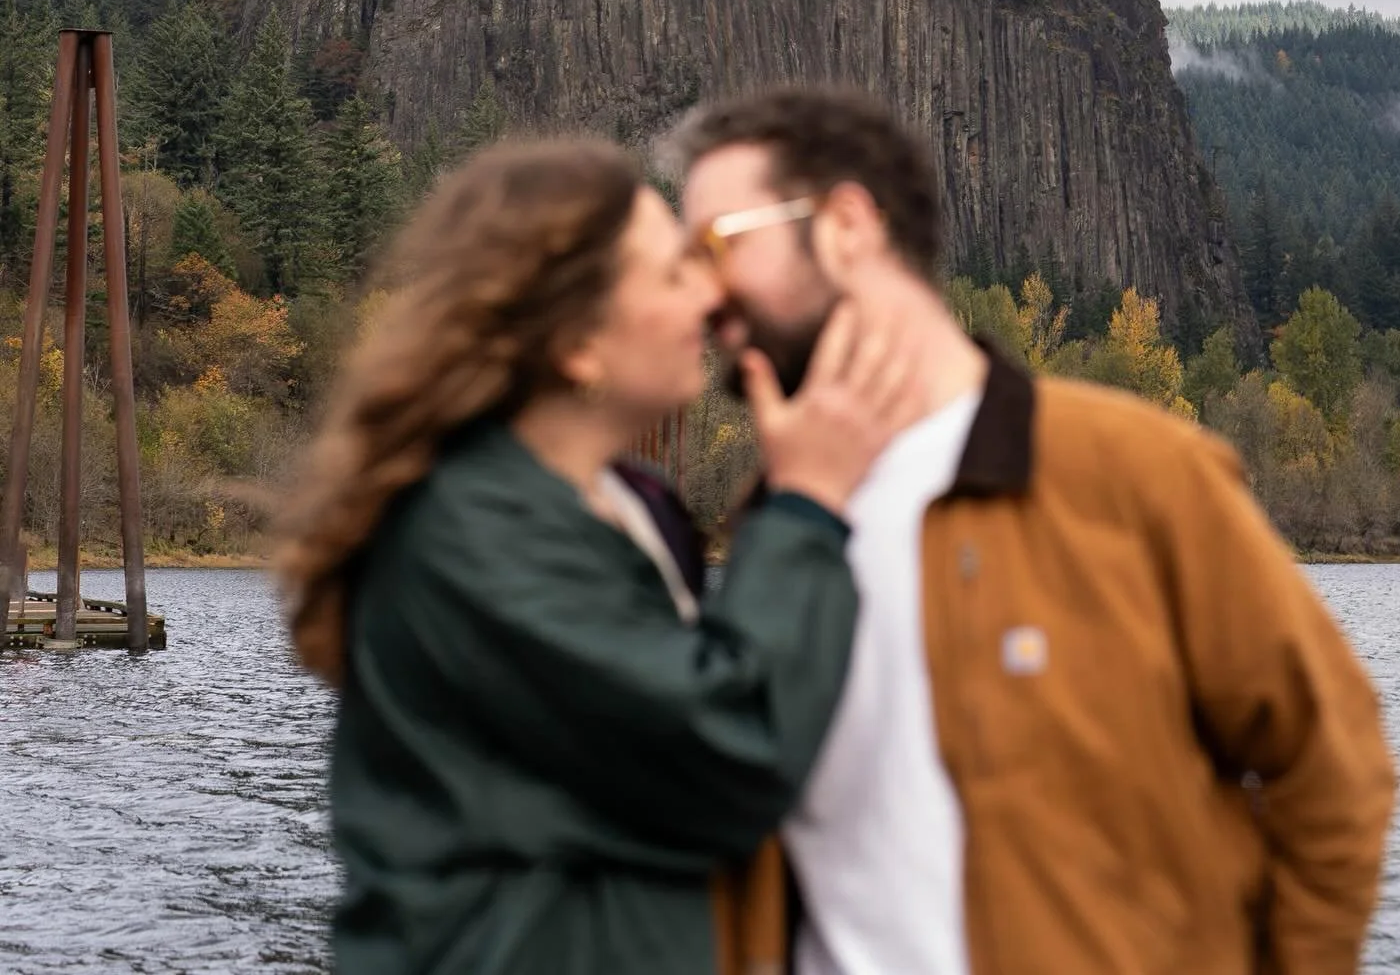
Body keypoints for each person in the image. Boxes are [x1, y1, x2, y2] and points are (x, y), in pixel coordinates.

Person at [674, 88, 1396, 975]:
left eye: (717, 245)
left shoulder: (1136, 474)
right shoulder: (771, 527)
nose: (699, 297)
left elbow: (1335, 773)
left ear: (848, 225)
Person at [276, 136, 920, 975]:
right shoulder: (472, 536)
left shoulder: (606, 507)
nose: (709, 290)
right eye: (672, 273)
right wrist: (804, 508)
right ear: (577, 344)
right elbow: (729, 747)